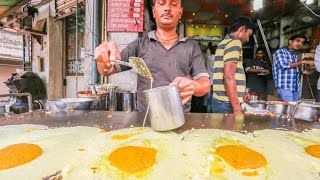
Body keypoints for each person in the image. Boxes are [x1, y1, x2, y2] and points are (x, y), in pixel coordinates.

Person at [94, 0, 210, 112]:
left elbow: (205, 85)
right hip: (145, 118)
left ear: (180, 12)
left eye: (173, 4)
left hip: (180, 117)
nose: (167, 8)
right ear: (154, 11)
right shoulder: (139, 45)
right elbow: (106, 71)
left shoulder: (191, 47)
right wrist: (104, 59)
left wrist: (193, 86)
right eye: (161, 3)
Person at [210, 16, 254, 114]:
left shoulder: (223, 42)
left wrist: (242, 92)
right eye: (248, 35)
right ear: (242, 29)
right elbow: (229, 76)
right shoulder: (235, 42)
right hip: (227, 103)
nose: (247, 39)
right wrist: (236, 106)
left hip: (221, 101)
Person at [272, 34, 314, 102]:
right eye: (298, 41)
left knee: (293, 110)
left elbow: (291, 72)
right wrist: (303, 62)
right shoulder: (281, 51)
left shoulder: (294, 55)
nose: (300, 43)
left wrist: (302, 72)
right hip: (285, 87)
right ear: (290, 42)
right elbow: (283, 66)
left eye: (302, 42)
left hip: (295, 88)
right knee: (289, 108)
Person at [206, 45, 217, 112]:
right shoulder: (217, 58)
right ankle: (213, 113)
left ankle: (208, 112)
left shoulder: (208, 57)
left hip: (209, 80)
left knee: (209, 98)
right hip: (215, 81)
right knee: (214, 98)